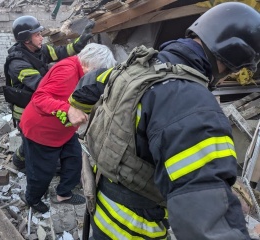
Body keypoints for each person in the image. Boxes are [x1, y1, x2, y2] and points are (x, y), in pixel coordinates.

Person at [72, 2, 260, 239]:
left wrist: (75, 106)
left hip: (100, 207)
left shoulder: (138, 66)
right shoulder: (191, 103)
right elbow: (205, 220)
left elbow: (91, 82)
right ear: (234, 58)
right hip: (134, 227)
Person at [19, 43, 117, 213]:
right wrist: (68, 110)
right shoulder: (67, 71)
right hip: (41, 130)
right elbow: (39, 98)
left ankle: (63, 194)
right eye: (98, 72)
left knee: (74, 160)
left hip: (64, 129)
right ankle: (32, 199)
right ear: (88, 64)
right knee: (42, 171)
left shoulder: (81, 72)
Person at [4, 15, 95, 170]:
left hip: (41, 105)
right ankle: (22, 162)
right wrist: (67, 79)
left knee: (40, 140)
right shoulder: (17, 63)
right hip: (25, 112)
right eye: (37, 35)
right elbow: (41, 85)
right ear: (26, 39)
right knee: (33, 142)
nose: (41, 37)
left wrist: (80, 43)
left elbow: (62, 52)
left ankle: (24, 157)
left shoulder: (40, 49)